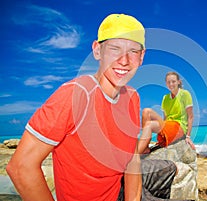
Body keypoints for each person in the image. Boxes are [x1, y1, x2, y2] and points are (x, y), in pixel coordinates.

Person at [6, 13, 177, 201]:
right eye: (115, 49)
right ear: (97, 51)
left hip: (118, 187)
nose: (124, 60)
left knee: (168, 169)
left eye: (133, 51)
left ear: (142, 56)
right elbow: (21, 166)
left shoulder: (132, 97)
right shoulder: (74, 96)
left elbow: (131, 159)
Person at [138, 72, 195, 154]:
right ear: (166, 83)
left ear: (178, 82)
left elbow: (190, 117)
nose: (171, 84)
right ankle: (145, 147)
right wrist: (162, 134)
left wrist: (188, 136)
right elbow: (165, 118)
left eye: (173, 81)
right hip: (169, 124)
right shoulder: (165, 98)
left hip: (179, 126)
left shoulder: (185, 94)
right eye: (168, 82)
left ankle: (135, 156)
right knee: (146, 111)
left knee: (149, 125)